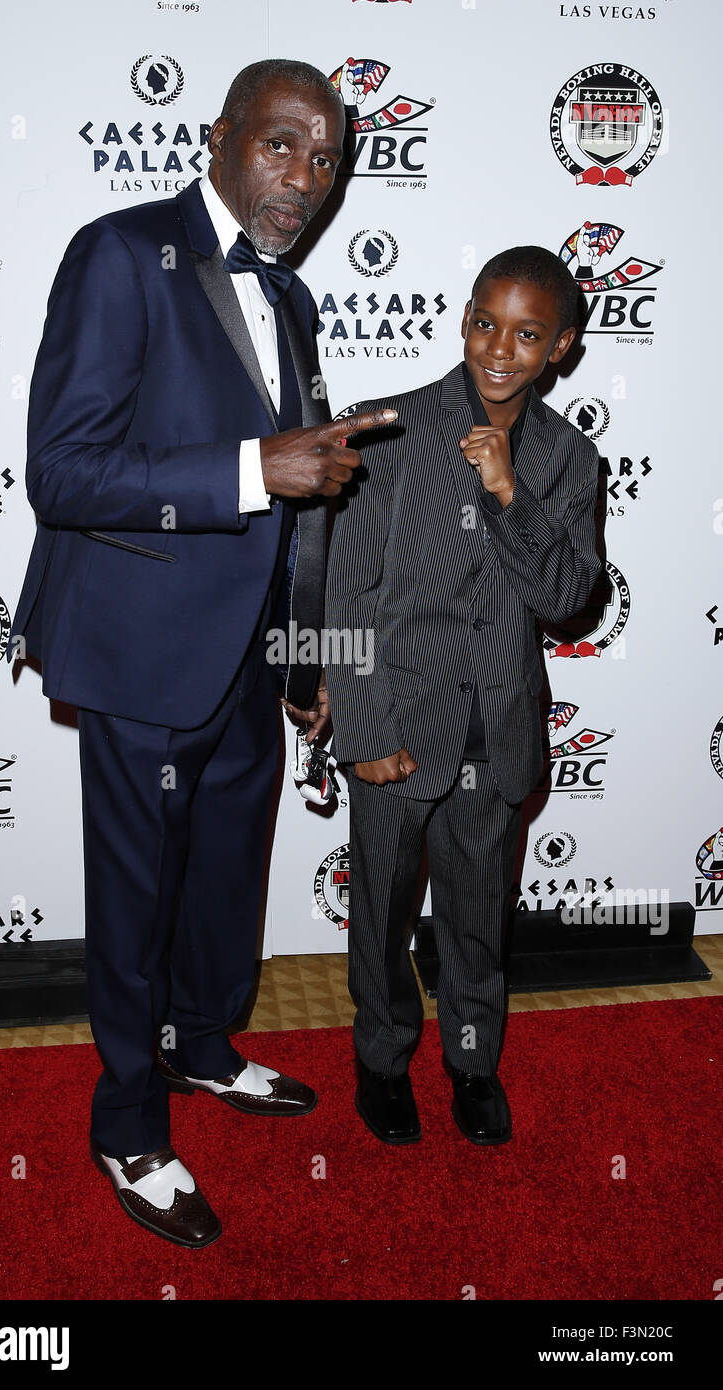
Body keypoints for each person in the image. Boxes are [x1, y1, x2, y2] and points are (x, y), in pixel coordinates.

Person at [10, 58, 395, 1249]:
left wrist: (308, 653)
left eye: (326, 158)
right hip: (141, 644)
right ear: (221, 136)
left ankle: (204, 1048)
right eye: (282, 144)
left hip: (251, 649)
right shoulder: (121, 252)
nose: (305, 177)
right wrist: (244, 469)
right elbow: (61, 474)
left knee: (228, 869)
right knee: (136, 897)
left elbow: (307, 497)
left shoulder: (292, 298)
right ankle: (127, 1123)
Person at [324, 247, 601, 1148]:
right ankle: (381, 1060)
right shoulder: (391, 432)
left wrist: (510, 496)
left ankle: (473, 1066)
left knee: (479, 922)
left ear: (558, 347)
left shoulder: (566, 458)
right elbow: (346, 594)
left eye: (526, 335)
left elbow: (566, 599)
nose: (498, 348)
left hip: (496, 733)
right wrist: (362, 727)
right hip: (396, 728)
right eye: (486, 322)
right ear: (464, 319)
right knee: (383, 915)